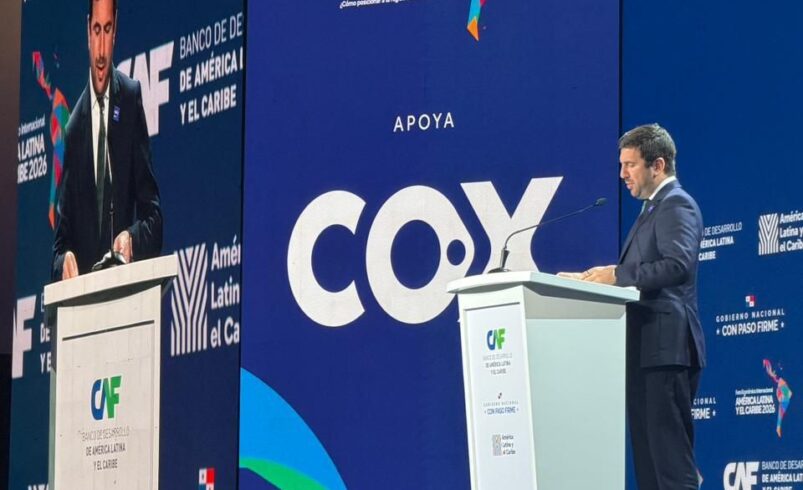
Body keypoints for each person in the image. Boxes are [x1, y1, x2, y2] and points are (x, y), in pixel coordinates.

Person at [562, 124, 705, 489]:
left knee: (670, 467)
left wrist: (617, 275)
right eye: (621, 165)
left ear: (658, 165)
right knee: (650, 468)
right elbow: (643, 269)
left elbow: (677, 265)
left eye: (630, 165)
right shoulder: (653, 208)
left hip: (666, 349)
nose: (622, 174)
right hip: (646, 351)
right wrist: (596, 277)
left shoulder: (676, 204)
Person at [52, 0, 162, 281]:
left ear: (116, 32)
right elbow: (59, 248)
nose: (101, 52)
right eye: (97, 30)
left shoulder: (129, 98)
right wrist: (64, 262)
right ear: (88, 32)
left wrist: (132, 240)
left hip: (125, 291)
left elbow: (154, 220)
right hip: (88, 301)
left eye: (108, 29)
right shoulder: (73, 129)